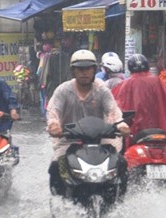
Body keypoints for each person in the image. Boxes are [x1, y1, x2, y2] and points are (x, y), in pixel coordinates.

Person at [45, 49, 130, 196]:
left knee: (121, 163)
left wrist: (121, 124)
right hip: (68, 141)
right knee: (56, 166)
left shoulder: (102, 90)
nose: (84, 73)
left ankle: (119, 201)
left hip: (101, 141)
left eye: (88, 68)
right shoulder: (63, 90)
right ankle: (59, 203)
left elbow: (113, 111)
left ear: (94, 70)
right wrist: (54, 125)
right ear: (73, 71)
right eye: (80, 69)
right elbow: (53, 111)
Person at [111, 54, 166, 147]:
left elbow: (113, 104)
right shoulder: (156, 81)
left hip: (134, 130)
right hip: (157, 127)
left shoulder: (125, 84)